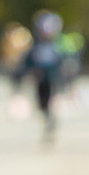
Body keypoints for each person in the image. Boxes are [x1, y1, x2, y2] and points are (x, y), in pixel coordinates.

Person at [12, 9, 67, 142]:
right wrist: (19, 77)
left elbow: (62, 64)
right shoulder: (36, 47)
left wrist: (64, 80)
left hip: (51, 79)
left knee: (49, 101)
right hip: (39, 80)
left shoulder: (57, 47)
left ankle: (50, 122)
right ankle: (49, 119)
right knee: (41, 105)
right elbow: (27, 63)